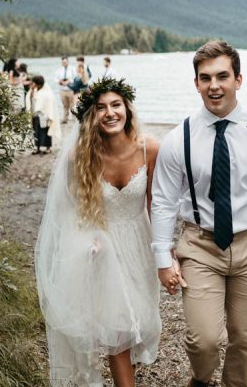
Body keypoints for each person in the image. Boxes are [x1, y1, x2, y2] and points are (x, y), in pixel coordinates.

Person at [151, 40, 247, 386]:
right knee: (203, 339)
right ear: (196, 84)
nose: (214, 85)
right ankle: (202, 380)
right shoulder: (179, 138)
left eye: (223, 76)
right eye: (205, 78)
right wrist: (163, 257)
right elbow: (162, 200)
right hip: (199, 245)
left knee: (245, 339)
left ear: (238, 79)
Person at [35, 77, 161, 386]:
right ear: (92, 116)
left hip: (138, 243)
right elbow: (66, 211)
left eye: (116, 105)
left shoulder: (150, 148)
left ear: (127, 109)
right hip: (100, 247)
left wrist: (165, 253)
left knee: (137, 321)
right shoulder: (77, 156)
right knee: (118, 329)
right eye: (101, 107)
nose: (110, 113)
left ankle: (126, 370)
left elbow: (156, 205)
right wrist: (85, 241)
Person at [25, 75, 61, 155]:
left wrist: (48, 114)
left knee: (46, 132)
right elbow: (30, 99)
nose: (32, 84)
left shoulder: (47, 91)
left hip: (45, 115)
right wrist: (32, 91)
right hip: (35, 114)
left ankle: (48, 148)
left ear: (38, 84)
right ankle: (37, 148)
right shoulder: (33, 90)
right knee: (36, 131)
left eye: (34, 83)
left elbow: (50, 103)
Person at [55, 56, 76, 124]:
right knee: (65, 105)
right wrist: (59, 81)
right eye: (63, 62)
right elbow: (55, 79)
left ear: (67, 62)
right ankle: (65, 119)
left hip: (70, 90)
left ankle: (74, 119)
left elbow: (75, 78)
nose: (64, 63)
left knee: (72, 105)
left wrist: (69, 81)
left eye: (65, 62)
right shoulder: (59, 70)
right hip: (62, 90)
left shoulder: (72, 69)